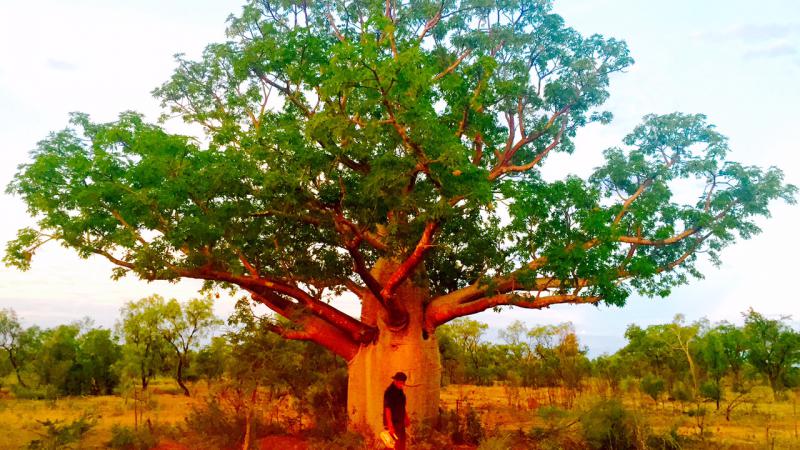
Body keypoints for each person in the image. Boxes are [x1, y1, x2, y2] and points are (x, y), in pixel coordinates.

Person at [383, 371, 410, 449]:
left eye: (403, 383)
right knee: (392, 446)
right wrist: (390, 426)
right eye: (400, 383)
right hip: (393, 423)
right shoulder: (389, 392)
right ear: (395, 381)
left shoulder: (400, 391)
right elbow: (387, 409)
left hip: (400, 423)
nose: (402, 385)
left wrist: (406, 417)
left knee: (401, 444)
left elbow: (402, 406)